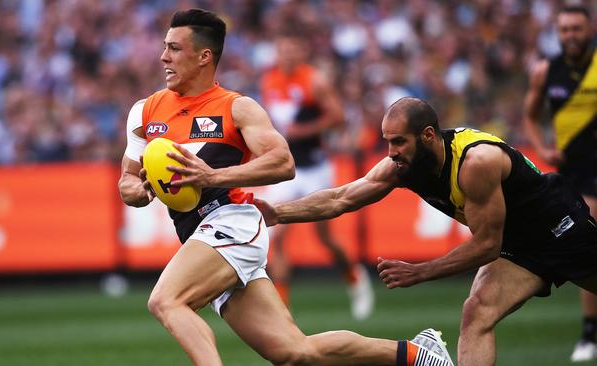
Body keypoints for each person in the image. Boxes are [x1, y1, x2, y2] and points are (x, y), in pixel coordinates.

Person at [118, 9, 454, 366]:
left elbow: (283, 163)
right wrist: (138, 191)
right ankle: (417, 354)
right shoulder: (144, 112)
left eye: (173, 48)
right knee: (295, 353)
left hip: (230, 223)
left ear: (204, 57)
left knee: (166, 300)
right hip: (198, 235)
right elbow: (127, 180)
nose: (162, 56)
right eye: (164, 47)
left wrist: (213, 177)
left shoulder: (237, 108)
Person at [255, 96, 597, 366]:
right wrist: (278, 213)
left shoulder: (476, 163)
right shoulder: (402, 166)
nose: (391, 152)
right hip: (519, 244)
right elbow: (342, 198)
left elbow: (487, 246)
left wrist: (420, 271)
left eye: (399, 142)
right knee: (476, 311)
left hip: (559, 228)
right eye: (388, 141)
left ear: (428, 135)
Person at [260, 32, 373, 319]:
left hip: (315, 167)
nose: (287, 55)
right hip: (287, 169)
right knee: (278, 235)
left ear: (301, 52)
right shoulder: (269, 80)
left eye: (292, 50)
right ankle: (282, 309)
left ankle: (355, 279)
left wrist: (303, 131)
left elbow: (337, 117)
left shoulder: (314, 81)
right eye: (282, 49)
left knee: (325, 237)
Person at [522, 5, 597, 362]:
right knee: (588, 245)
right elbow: (530, 114)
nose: (570, 35)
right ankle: (589, 331)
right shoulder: (545, 71)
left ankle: (589, 332)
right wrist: (541, 148)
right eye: (564, 29)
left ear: (589, 28)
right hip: (574, 174)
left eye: (576, 29)